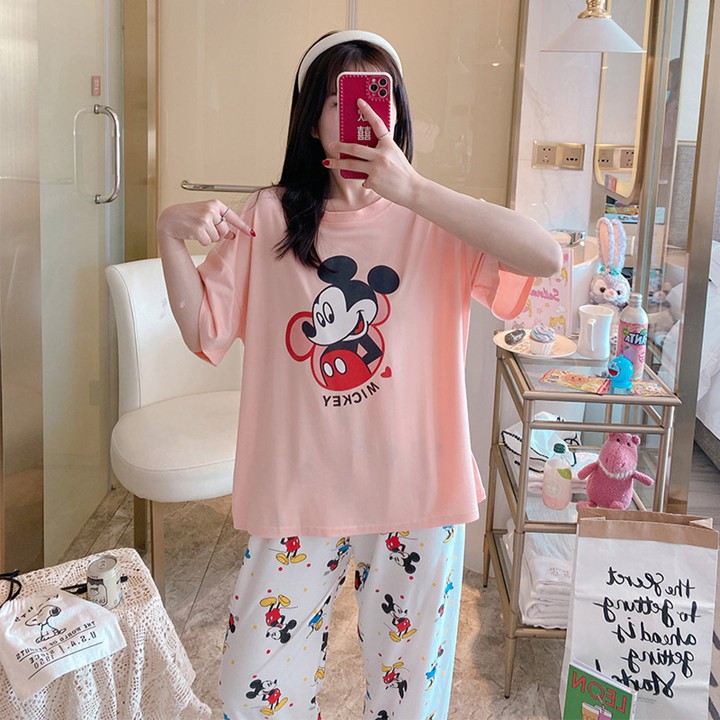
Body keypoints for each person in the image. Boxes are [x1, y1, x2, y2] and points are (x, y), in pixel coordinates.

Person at [158, 29, 561, 720]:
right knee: (257, 692)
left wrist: (415, 189)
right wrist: (170, 230)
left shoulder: (435, 219)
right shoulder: (269, 218)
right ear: (313, 119)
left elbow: (545, 258)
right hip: (299, 493)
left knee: (408, 701)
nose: (367, 116)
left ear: (398, 113)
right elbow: (203, 331)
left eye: (382, 97)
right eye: (344, 100)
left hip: (417, 490)